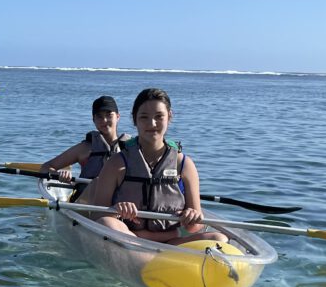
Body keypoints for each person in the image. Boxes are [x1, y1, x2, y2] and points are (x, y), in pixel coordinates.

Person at [81, 88, 225, 246]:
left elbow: (195, 227)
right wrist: (116, 210)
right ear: (134, 119)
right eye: (144, 117)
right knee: (107, 223)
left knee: (219, 239)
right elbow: (97, 216)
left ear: (169, 116)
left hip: (172, 242)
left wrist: (191, 216)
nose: (152, 124)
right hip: (128, 240)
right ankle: (145, 258)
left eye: (159, 116)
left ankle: (154, 257)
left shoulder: (184, 165)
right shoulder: (116, 163)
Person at [40, 95, 130, 195]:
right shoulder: (84, 149)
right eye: (99, 116)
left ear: (118, 117)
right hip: (87, 201)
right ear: (93, 120)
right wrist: (58, 174)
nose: (104, 120)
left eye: (109, 115)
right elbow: (45, 167)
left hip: (120, 201)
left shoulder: (131, 148)